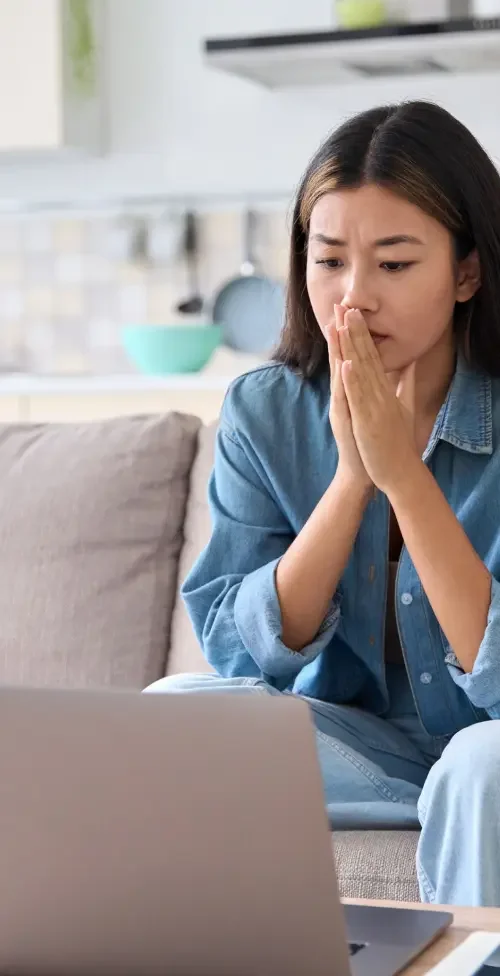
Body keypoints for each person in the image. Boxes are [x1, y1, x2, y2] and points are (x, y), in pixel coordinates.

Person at [145, 101, 500, 907]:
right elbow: (241, 658)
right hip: (360, 750)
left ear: (467, 272)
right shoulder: (266, 411)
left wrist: (405, 479)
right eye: (329, 260)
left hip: (490, 754)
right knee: (171, 715)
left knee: (483, 767)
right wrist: (353, 478)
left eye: (395, 265)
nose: (354, 298)